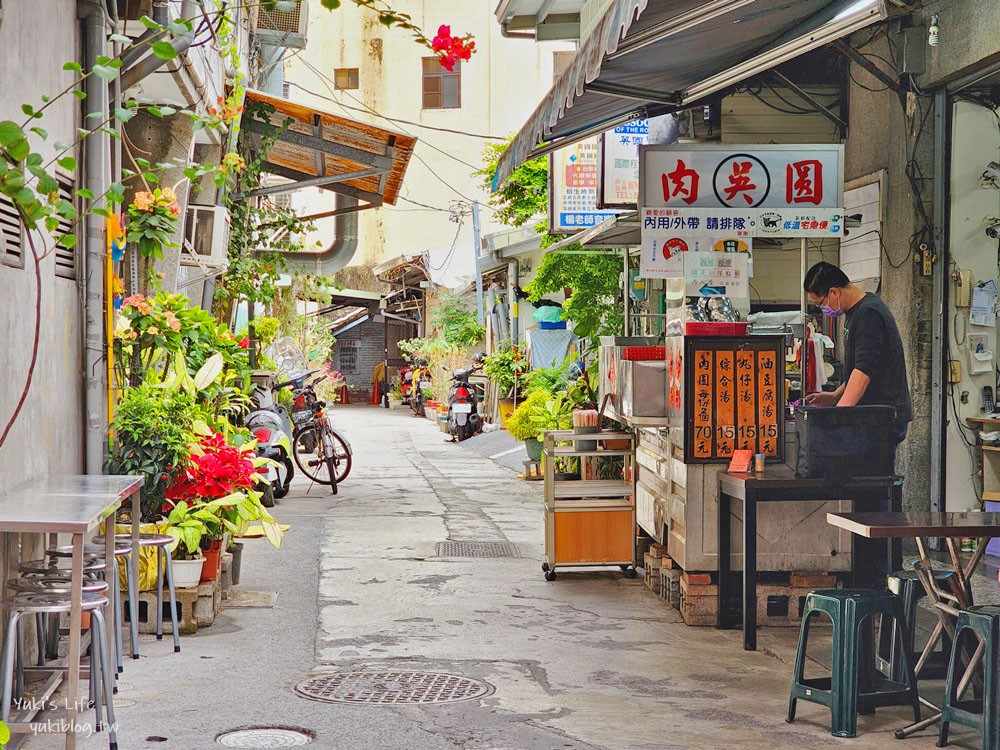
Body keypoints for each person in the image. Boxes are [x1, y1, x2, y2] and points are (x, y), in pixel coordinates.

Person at [802, 261, 911, 455]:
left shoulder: (868, 313)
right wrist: (835, 396)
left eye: (820, 303)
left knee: (868, 481)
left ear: (834, 292)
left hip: (880, 418)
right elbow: (859, 368)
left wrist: (839, 417)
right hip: (871, 415)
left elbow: (864, 371)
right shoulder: (856, 311)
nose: (823, 309)